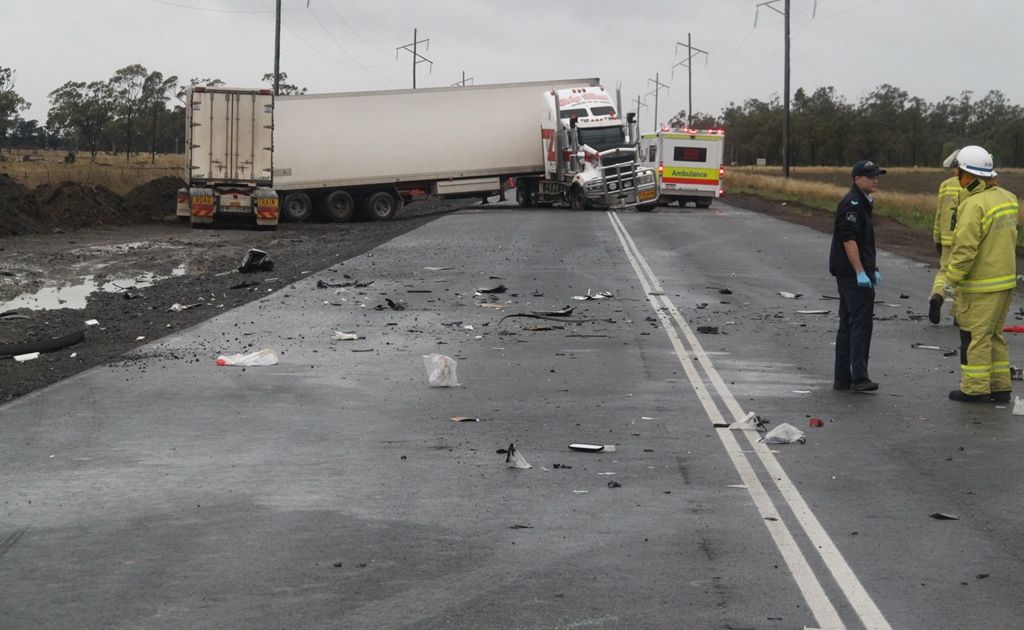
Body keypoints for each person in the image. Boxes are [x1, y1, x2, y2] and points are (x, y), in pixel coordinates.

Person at [943, 145, 1020, 403]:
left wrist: (947, 282)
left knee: (975, 338)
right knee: (995, 336)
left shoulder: (973, 204)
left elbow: (965, 250)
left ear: (969, 175)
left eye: (960, 172)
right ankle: (1000, 388)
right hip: (1005, 282)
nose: (957, 177)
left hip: (981, 286)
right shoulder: (1008, 198)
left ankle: (974, 389)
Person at [829, 160, 885, 392]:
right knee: (860, 324)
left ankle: (843, 378)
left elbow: (863, 243)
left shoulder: (862, 203)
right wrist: (861, 271)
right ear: (857, 179)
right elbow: (849, 240)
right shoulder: (852, 204)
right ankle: (859, 378)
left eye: (876, 175)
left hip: (852, 271)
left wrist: (873, 268)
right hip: (852, 274)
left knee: (848, 323)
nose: (876, 180)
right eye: (870, 176)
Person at [928, 150, 963, 324]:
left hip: (947, 238)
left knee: (944, 272)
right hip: (965, 238)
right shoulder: (976, 185)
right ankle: (958, 314)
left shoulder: (946, 185)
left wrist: (937, 238)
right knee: (964, 275)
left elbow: (939, 213)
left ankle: (937, 296)